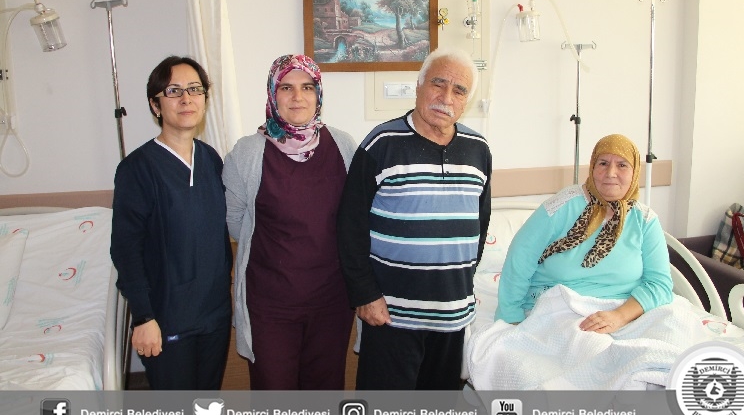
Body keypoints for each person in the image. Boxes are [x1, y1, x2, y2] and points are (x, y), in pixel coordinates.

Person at [337, 47, 492, 391]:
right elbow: (350, 227)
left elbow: (479, 227)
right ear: (419, 86)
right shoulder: (381, 143)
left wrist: (458, 284)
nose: (446, 97)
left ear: (467, 100)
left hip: (451, 317)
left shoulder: (478, 149)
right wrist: (365, 294)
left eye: (459, 90)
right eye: (438, 83)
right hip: (391, 316)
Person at [222, 54, 356, 390]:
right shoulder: (247, 153)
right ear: (272, 93)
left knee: (324, 393)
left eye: (307, 87)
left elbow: (355, 218)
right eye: (286, 87)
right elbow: (235, 221)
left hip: (331, 300)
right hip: (270, 304)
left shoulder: (344, 146)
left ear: (318, 94)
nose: (298, 97)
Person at [110, 55, 232, 390]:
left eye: (195, 89)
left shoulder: (210, 159)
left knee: (206, 408)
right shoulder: (137, 169)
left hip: (214, 315)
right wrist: (143, 317)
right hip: (166, 318)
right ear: (155, 105)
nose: (186, 98)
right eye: (173, 91)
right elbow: (125, 250)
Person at [495, 133, 673, 330]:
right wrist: (511, 316)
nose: (611, 173)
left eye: (622, 165)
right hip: (561, 308)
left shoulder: (645, 221)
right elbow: (520, 259)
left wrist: (619, 317)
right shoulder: (561, 207)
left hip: (626, 312)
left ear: (635, 172)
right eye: (603, 163)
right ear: (592, 167)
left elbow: (660, 284)